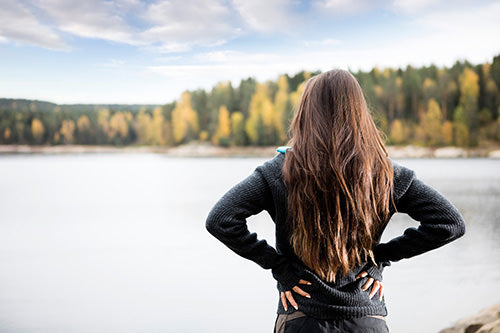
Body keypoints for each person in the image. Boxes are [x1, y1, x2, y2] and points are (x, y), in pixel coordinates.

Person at [205, 69, 466, 332]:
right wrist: (381, 258)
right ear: (359, 113)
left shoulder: (279, 171)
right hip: (366, 319)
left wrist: (280, 268)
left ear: (306, 114)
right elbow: (449, 223)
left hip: (301, 315)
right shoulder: (385, 173)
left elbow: (221, 220)